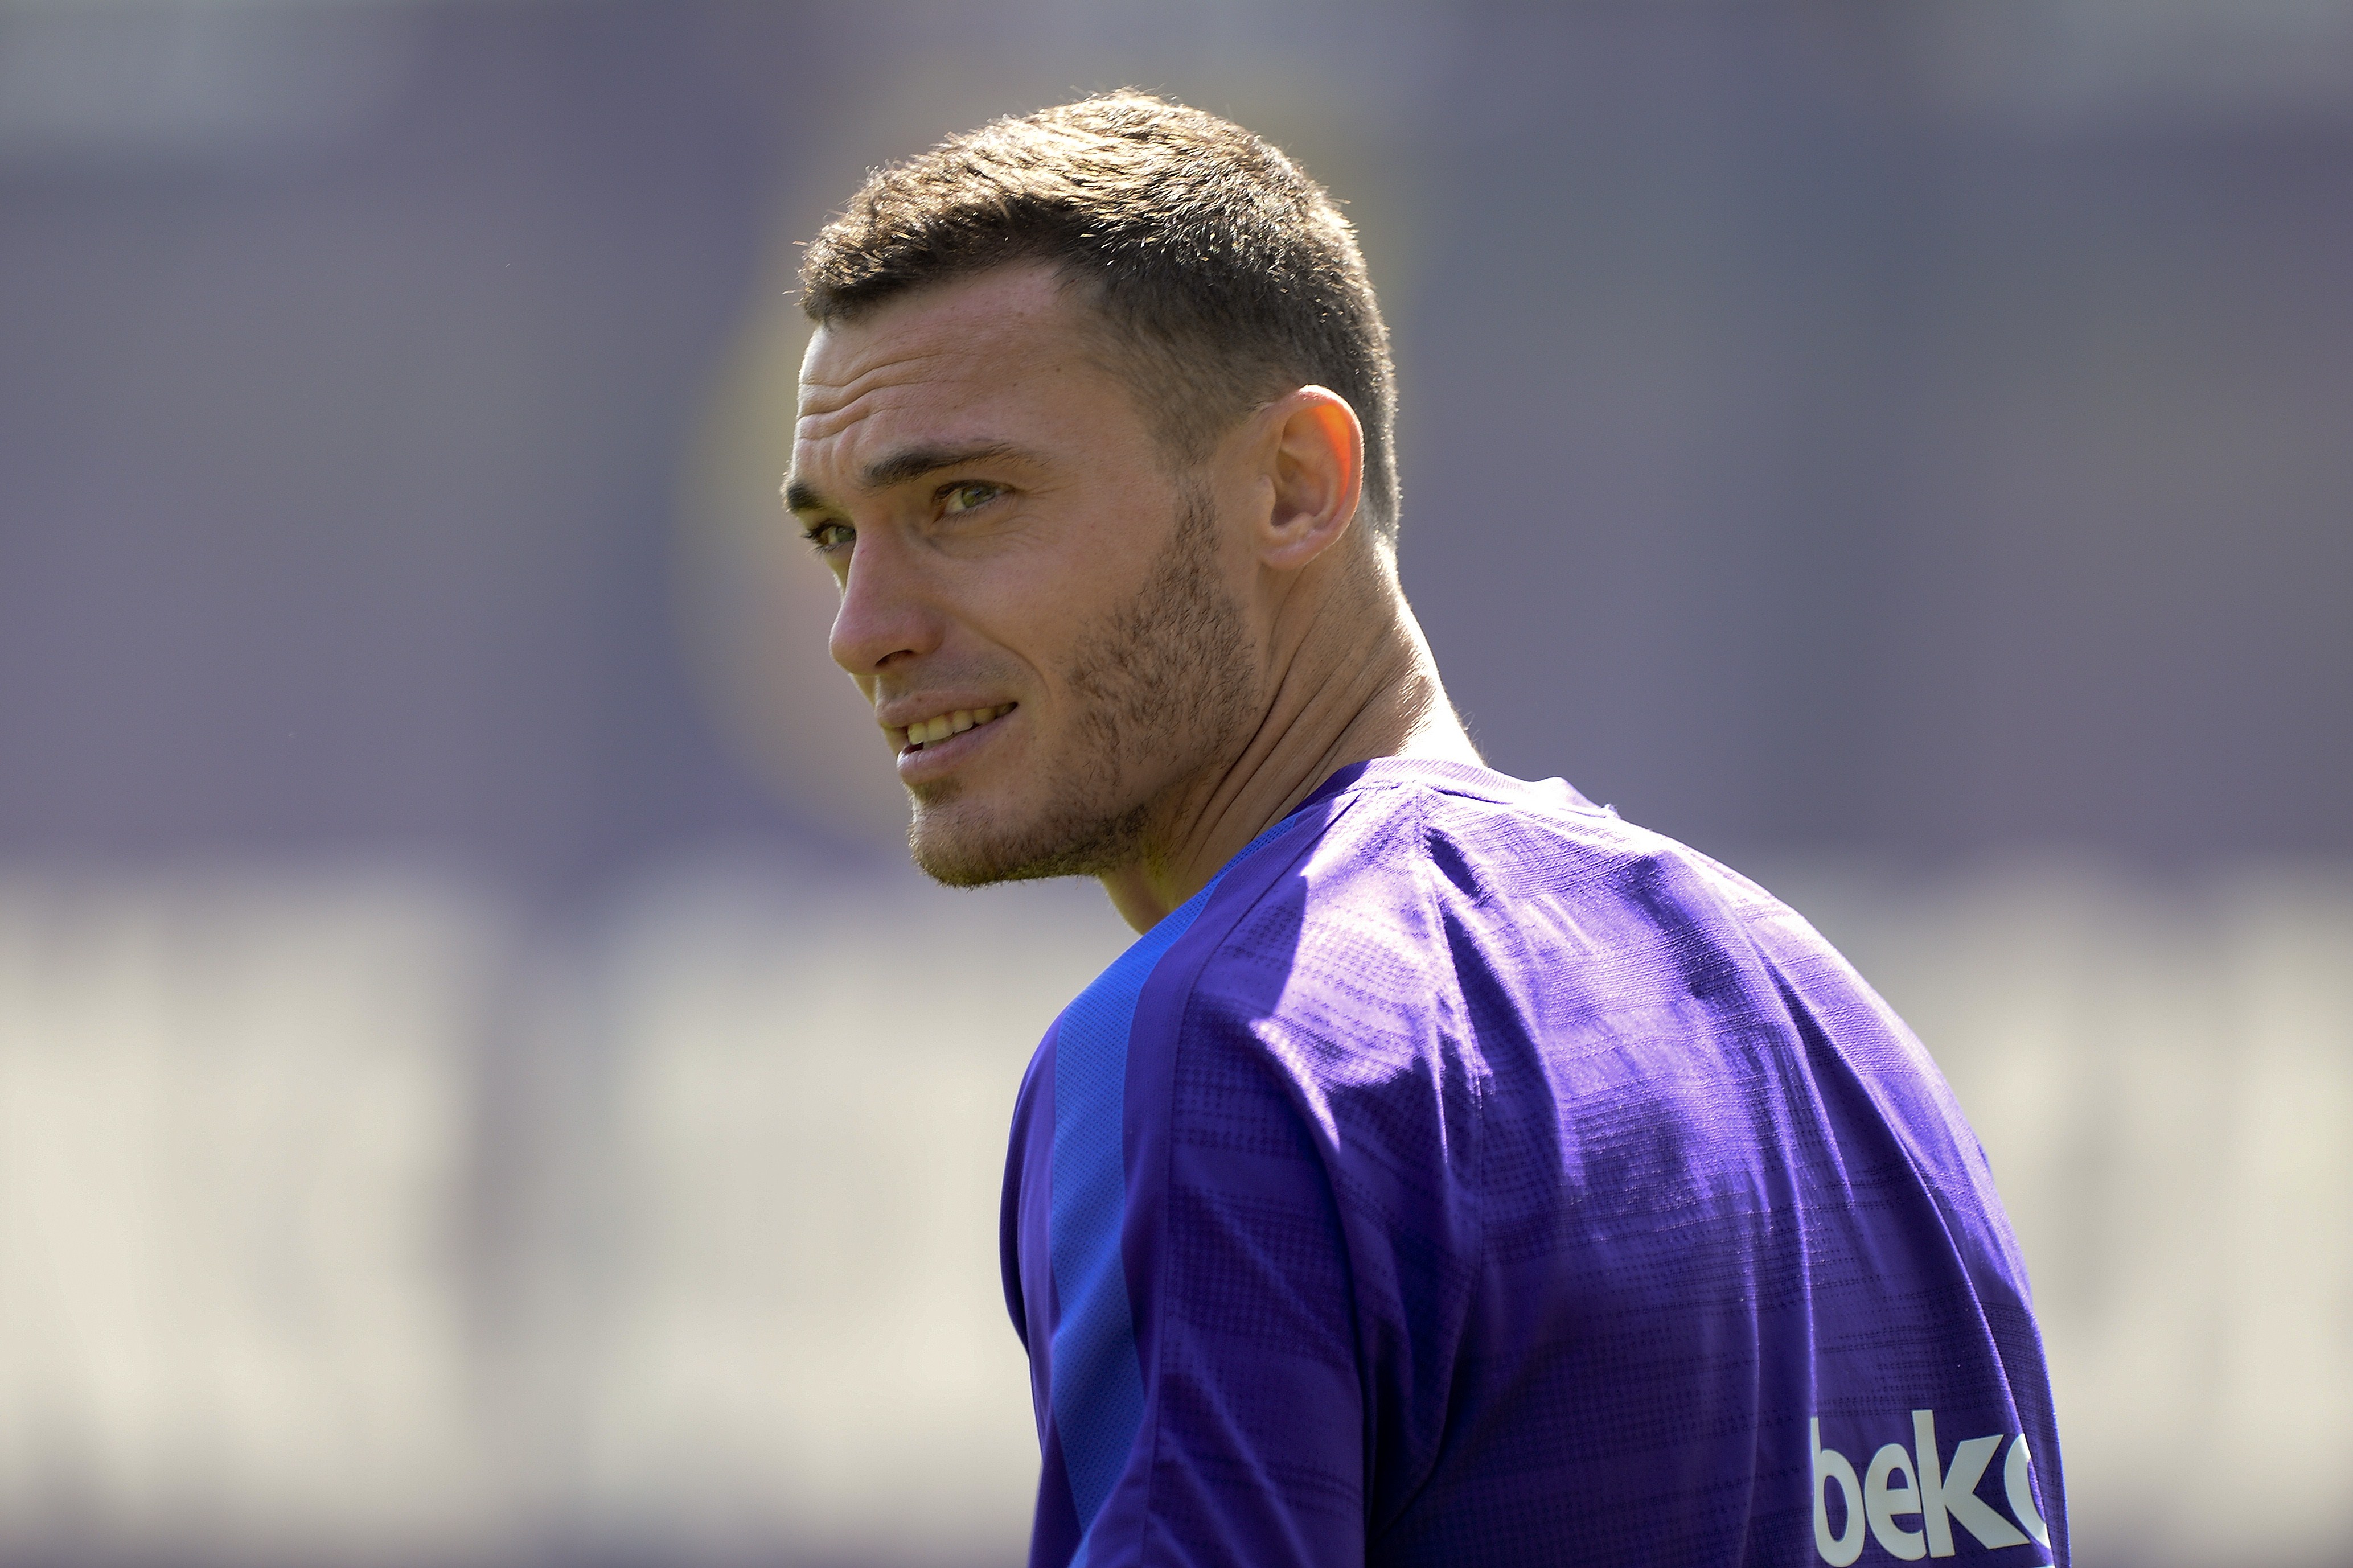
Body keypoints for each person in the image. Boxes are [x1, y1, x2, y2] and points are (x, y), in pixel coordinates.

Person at [785, 92, 2065, 1568]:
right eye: (835, 536)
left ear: (1293, 485)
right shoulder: (1843, 1038)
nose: (861, 629)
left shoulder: (1230, 1053)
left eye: (965, 498)